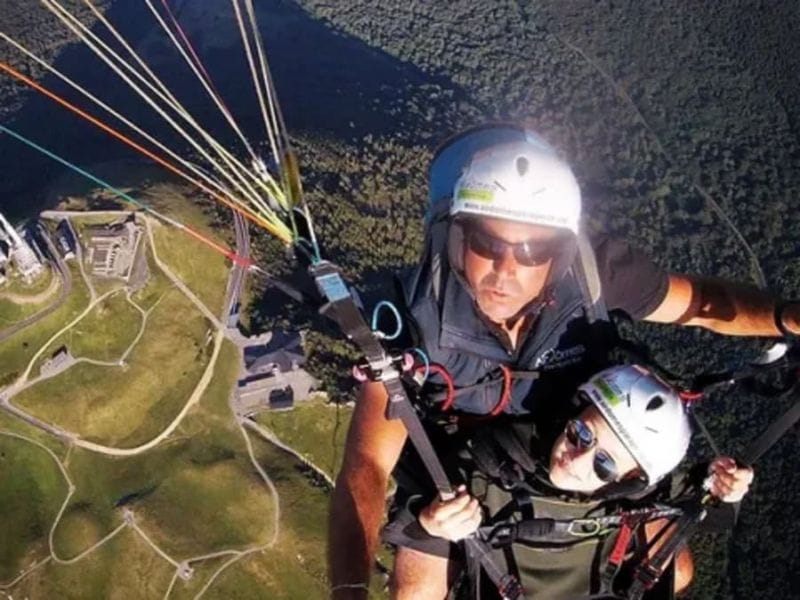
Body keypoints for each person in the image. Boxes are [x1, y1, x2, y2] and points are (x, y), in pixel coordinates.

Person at [328, 124, 799, 599]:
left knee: (673, 569)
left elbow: (702, 303)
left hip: (573, 451)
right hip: (461, 477)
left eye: (534, 251)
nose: (506, 272)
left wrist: (787, 318)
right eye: (488, 244)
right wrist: (349, 588)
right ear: (455, 238)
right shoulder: (409, 323)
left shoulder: (596, 276)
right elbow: (367, 464)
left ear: (560, 255)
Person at [385, 364, 754, 599]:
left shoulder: (640, 496)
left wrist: (724, 488)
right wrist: (429, 524)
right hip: (497, 567)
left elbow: (699, 506)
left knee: (677, 570)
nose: (577, 458)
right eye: (581, 433)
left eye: (605, 464)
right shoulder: (490, 460)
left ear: (629, 481)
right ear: (573, 413)